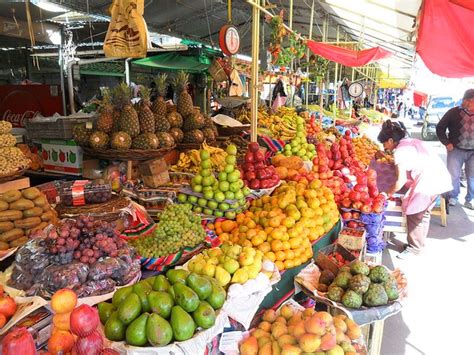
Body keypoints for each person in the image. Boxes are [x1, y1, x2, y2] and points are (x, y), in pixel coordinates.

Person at [378, 120, 452, 259]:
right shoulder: (411, 141)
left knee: (415, 213)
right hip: (438, 175)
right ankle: (419, 244)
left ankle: (414, 248)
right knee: (424, 213)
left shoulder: (400, 151)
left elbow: (401, 181)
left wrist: (386, 194)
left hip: (427, 180)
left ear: (390, 140)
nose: (384, 147)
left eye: (384, 143)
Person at [436, 89, 474, 209]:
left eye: (471, 101)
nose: (468, 103)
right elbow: (440, 127)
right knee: (453, 175)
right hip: (456, 150)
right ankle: (453, 196)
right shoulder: (454, 112)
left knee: (472, 176)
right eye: (467, 100)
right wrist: (446, 143)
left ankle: (470, 199)